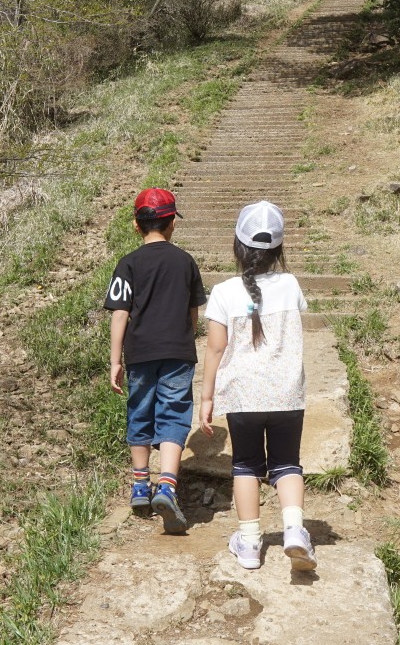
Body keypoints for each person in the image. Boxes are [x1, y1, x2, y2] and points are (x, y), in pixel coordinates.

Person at [198, 200, 315, 571]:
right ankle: (294, 531)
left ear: (237, 245)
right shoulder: (290, 284)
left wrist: (206, 396)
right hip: (286, 393)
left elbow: (216, 348)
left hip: (242, 395)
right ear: (279, 249)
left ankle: (249, 543)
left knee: (246, 465)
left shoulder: (223, 292)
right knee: (287, 464)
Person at [106, 187, 207, 533]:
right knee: (173, 414)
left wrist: (115, 361)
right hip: (178, 351)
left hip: (140, 353)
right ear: (172, 223)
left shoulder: (128, 263)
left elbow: (120, 314)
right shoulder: (185, 261)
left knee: (140, 411)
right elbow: (193, 312)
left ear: (136, 224)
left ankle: (139, 485)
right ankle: (166, 486)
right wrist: (187, 338)